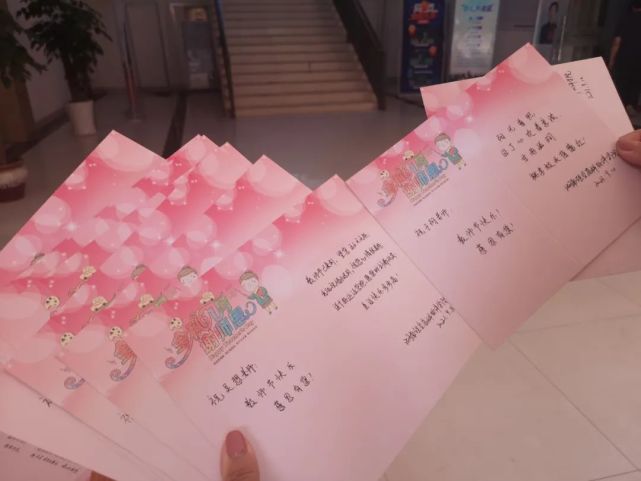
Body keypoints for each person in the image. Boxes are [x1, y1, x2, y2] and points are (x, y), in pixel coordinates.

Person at [609, 0, 641, 114]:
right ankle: (630, 105)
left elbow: (617, 42)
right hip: (639, 58)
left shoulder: (625, 19)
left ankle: (620, 106)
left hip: (624, 57)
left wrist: (611, 61)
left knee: (622, 81)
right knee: (635, 82)